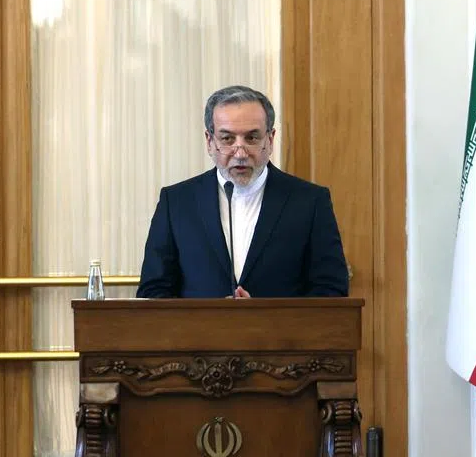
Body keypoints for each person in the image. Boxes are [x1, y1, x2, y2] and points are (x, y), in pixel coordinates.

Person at [136, 85, 348, 299]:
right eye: (227, 139)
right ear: (210, 141)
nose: (240, 152)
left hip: (282, 333)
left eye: (252, 138)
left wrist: (262, 316)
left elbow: (331, 292)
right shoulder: (177, 203)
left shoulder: (309, 202)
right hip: (199, 333)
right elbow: (153, 292)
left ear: (270, 139)